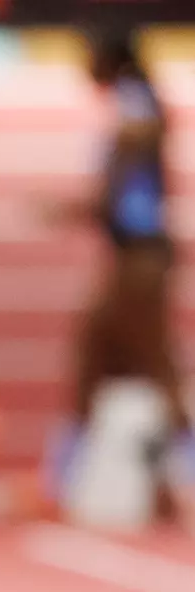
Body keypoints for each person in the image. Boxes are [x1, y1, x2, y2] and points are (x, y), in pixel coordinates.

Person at [43, 24, 192, 523]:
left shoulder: (135, 105)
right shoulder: (136, 103)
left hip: (140, 259)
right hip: (135, 256)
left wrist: (75, 208)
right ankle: (141, 480)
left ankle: (72, 478)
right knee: (118, 362)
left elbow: (125, 177)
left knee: (142, 364)